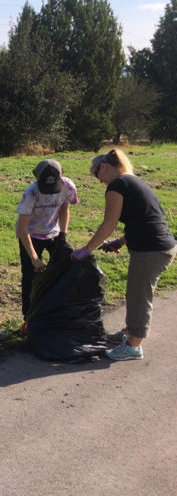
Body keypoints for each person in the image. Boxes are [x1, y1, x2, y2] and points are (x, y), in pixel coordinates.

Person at [71, 149, 176, 360]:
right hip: (160, 246)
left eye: (98, 177)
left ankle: (134, 346)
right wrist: (120, 241)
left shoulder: (117, 185)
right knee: (135, 293)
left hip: (151, 250)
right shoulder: (135, 182)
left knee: (139, 297)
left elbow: (109, 222)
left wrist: (86, 249)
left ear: (104, 167)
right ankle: (129, 333)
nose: (101, 183)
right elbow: (142, 219)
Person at [16, 159, 78, 331]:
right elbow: (22, 230)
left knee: (64, 271)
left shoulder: (68, 187)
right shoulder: (30, 194)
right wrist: (34, 258)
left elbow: (65, 210)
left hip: (54, 233)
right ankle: (28, 320)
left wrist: (63, 235)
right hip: (31, 236)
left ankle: (56, 315)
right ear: (35, 176)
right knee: (30, 278)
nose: (50, 194)